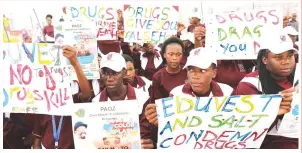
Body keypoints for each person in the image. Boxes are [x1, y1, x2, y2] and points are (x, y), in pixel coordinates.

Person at [62, 47, 154, 149]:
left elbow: (146, 134)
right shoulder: (95, 103)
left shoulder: (142, 98)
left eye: (115, 73)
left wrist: (147, 143)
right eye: (105, 73)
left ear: (124, 72)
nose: (110, 78)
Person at [144, 47, 233, 146]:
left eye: (202, 71)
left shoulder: (228, 93)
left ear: (214, 73)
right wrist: (160, 123)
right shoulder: (176, 94)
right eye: (191, 70)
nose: (195, 75)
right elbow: (172, 133)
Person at [234, 32, 297, 149]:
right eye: (278, 57)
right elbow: (244, 130)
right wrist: (272, 110)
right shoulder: (249, 84)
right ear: (265, 59)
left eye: (289, 56)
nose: (286, 61)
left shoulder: (297, 78)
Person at [194, 24, 256, 89]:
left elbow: (259, 57)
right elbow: (199, 59)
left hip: (242, 97)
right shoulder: (210, 57)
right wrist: (198, 40)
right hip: (217, 97)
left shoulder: (241, 55)